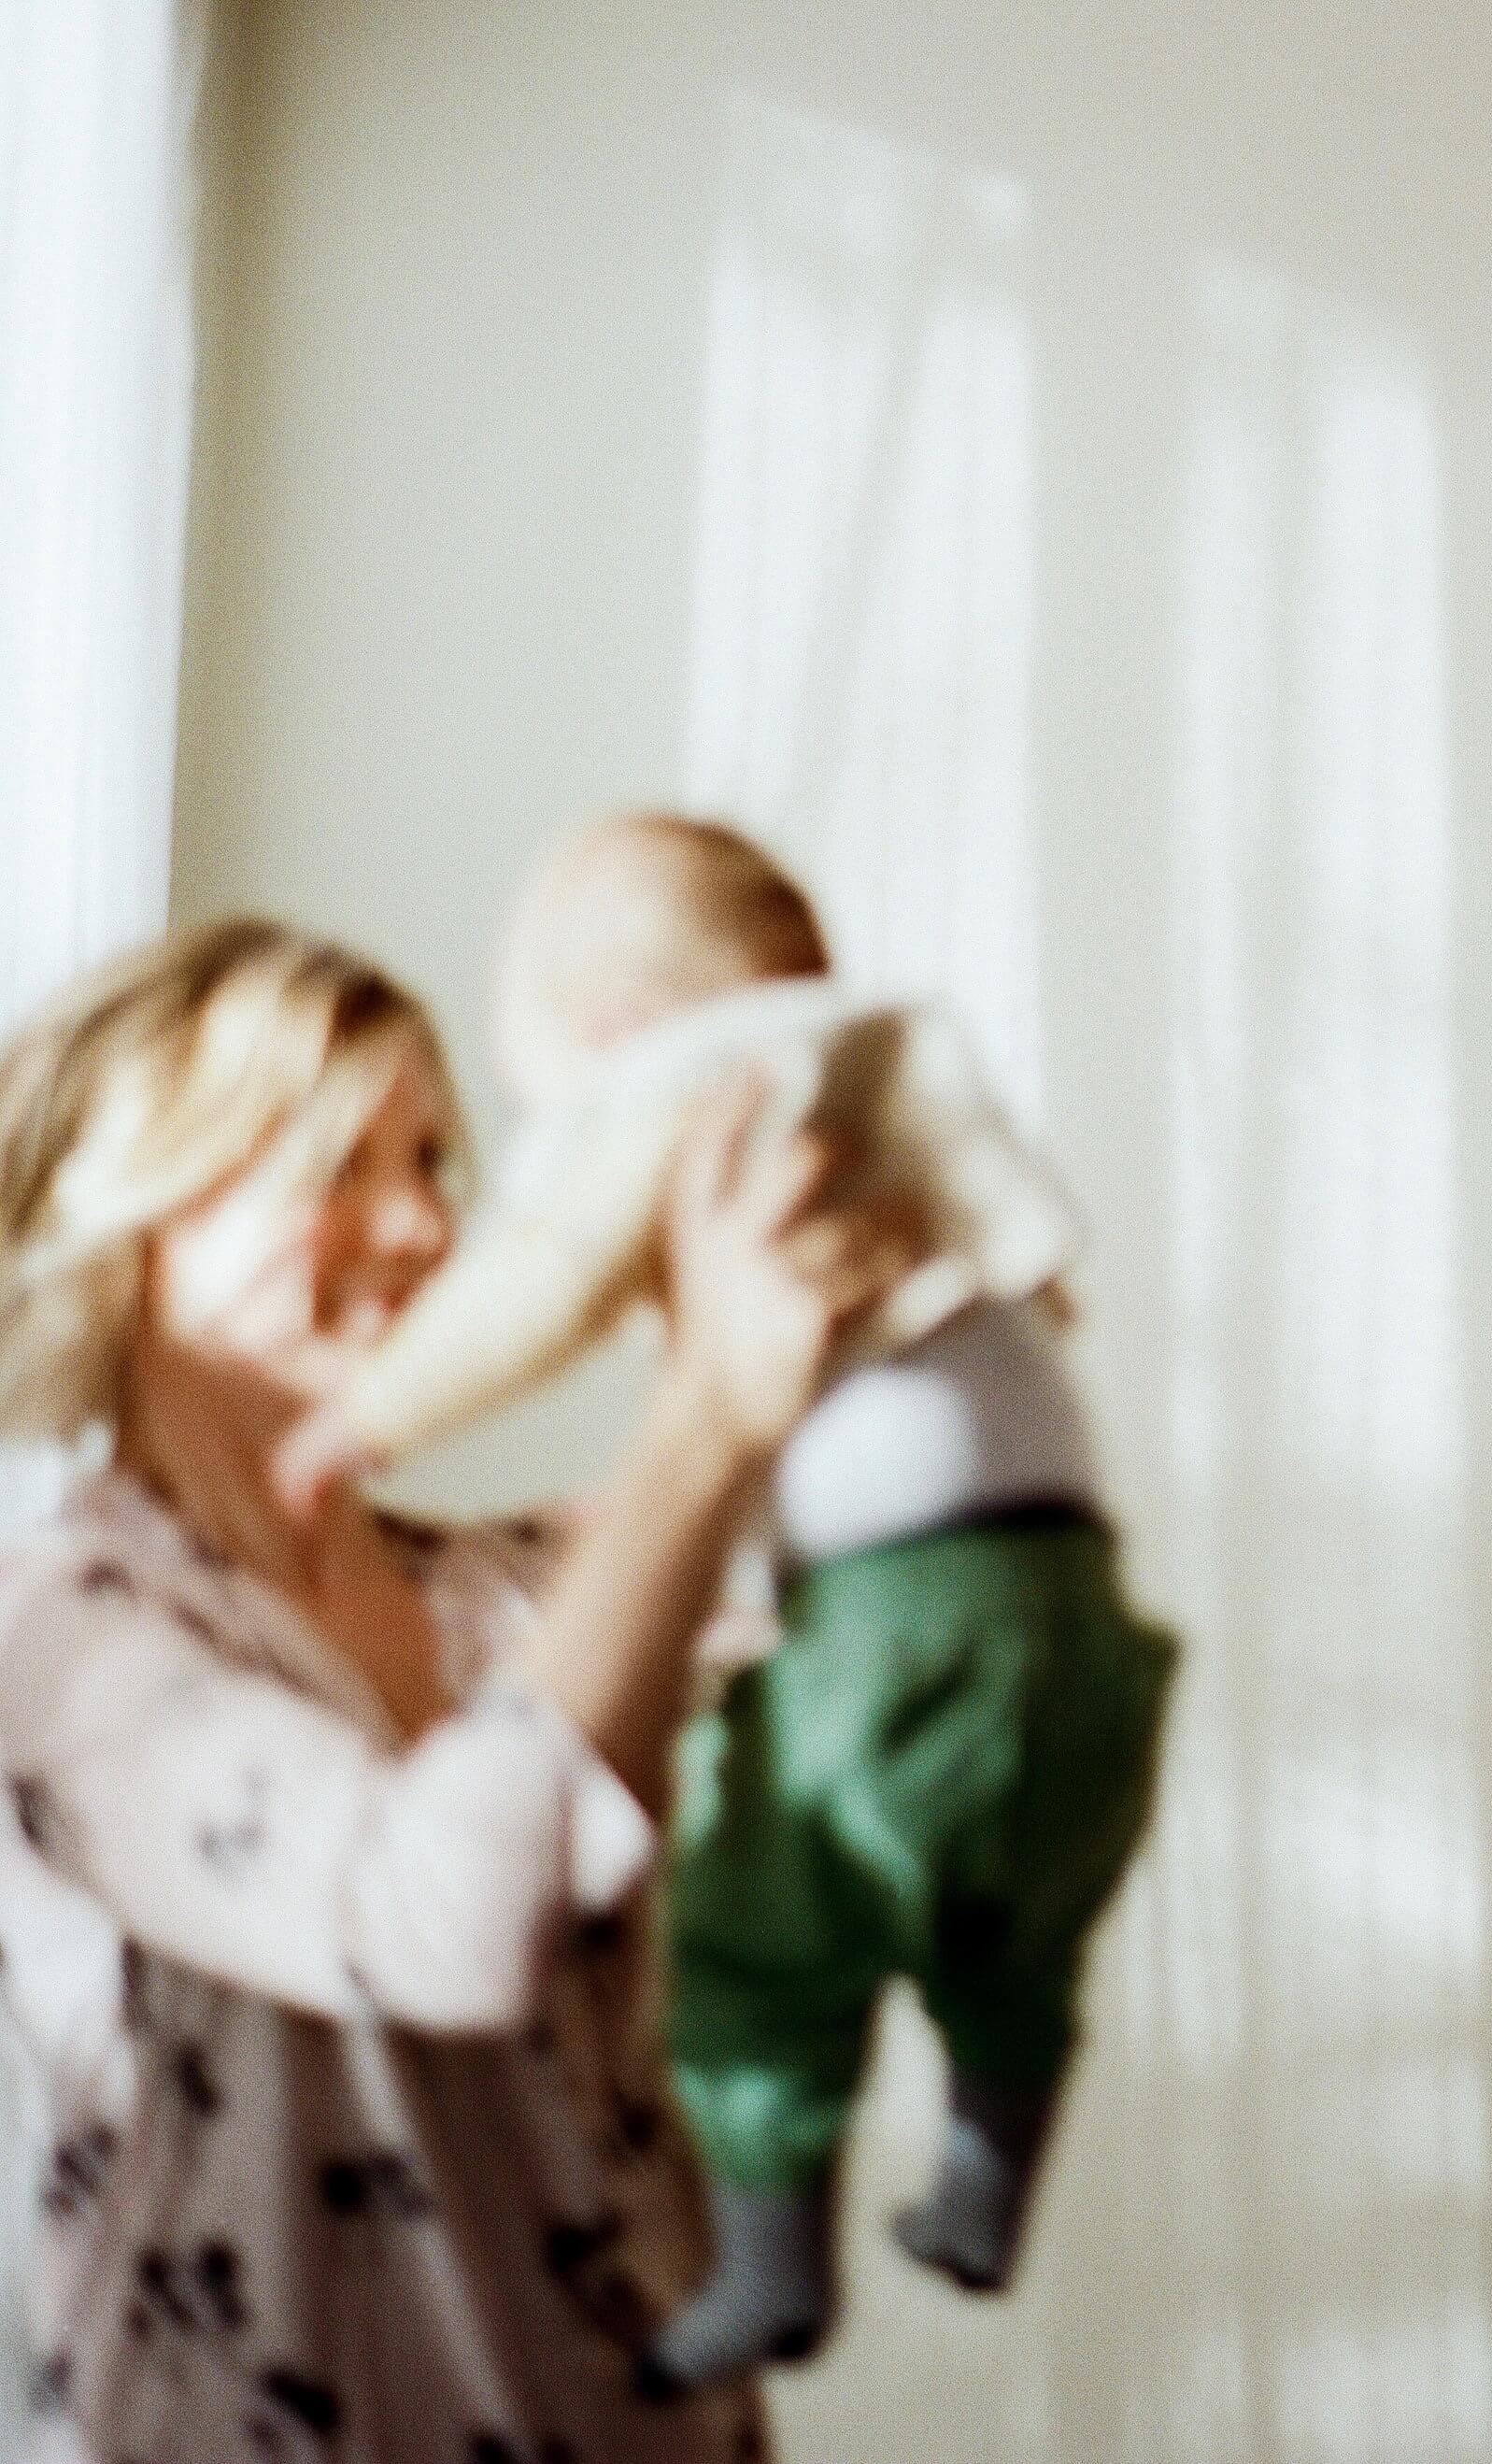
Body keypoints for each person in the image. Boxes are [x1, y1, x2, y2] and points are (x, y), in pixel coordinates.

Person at [275, 815, 1179, 2396]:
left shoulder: (680, 1093)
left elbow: (538, 1284)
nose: (440, 1217)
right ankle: (985, 2180)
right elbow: (1033, 1251)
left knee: (769, 1934)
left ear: (616, 1035)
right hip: (1074, 1595)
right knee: (1013, 1926)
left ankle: (773, 2261)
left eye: (493, 1119)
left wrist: (368, 1419)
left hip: (895, 1610)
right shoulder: (892, 1054)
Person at [0, 915, 909, 2464]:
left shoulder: (503, 1589)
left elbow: (880, 1637)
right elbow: (438, 1921)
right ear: (139, 1200)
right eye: (345, 1163)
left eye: (436, 1163)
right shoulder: (64, 1628)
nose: (424, 1224)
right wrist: (699, 1423)